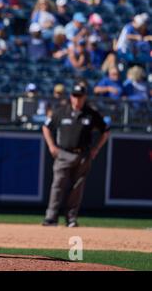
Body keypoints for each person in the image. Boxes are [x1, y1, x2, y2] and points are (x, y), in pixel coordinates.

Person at [42, 83, 110, 227]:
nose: (77, 99)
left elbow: (105, 130)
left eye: (80, 96)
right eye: (75, 96)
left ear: (85, 97)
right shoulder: (61, 111)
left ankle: (71, 218)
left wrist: (96, 148)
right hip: (63, 153)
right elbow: (46, 127)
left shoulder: (91, 114)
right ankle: (51, 217)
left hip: (83, 155)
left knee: (77, 187)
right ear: (71, 96)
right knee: (58, 184)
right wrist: (51, 145)